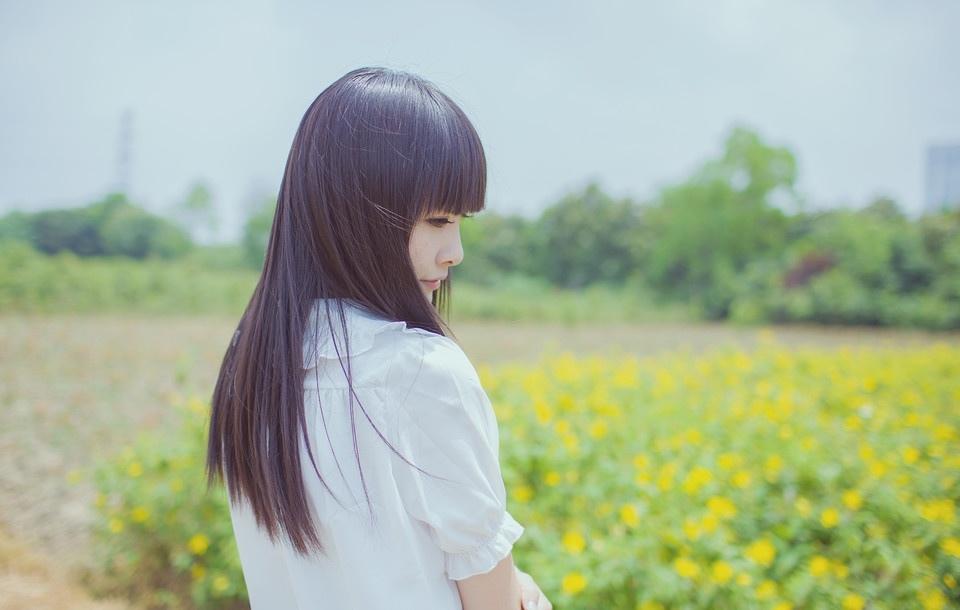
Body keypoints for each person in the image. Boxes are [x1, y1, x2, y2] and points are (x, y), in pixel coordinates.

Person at [205, 67, 553, 610]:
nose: (455, 251)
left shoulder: (252, 367)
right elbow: (493, 602)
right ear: (359, 214)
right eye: (437, 220)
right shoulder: (417, 371)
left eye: (459, 221)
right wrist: (526, 594)